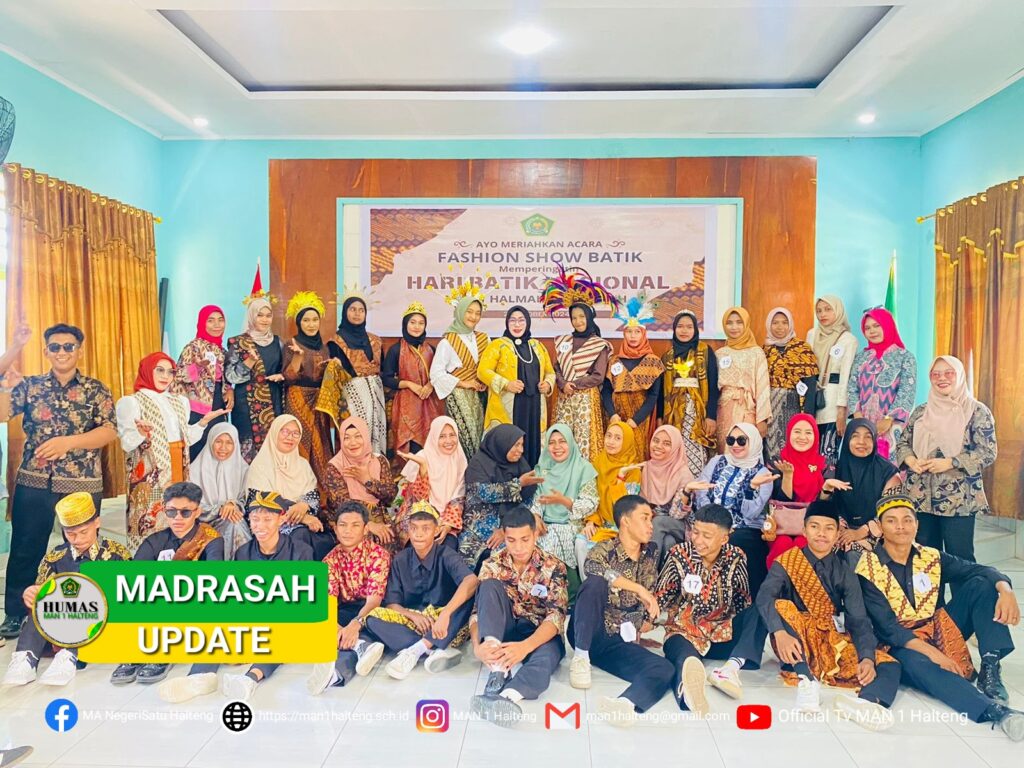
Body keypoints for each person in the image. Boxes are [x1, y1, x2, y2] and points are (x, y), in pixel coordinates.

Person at [856, 494, 1023, 739]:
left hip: (936, 628)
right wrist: (935, 655)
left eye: (907, 520)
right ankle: (997, 713)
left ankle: (990, 667)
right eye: (891, 521)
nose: (901, 526)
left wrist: (1005, 590)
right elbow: (888, 628)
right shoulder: (867, 567)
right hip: (900, 642)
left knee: (982, 584)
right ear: (880, 527)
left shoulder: (931, 556)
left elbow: (980, 570)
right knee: (921, 665)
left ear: (917, 525)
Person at [0, 323, 117, 639]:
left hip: (82, 481)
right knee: (25, 548)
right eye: (55, 347)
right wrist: (11, 364)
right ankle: (17, 614)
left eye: (68, 346)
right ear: (46, 351)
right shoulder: (31, 386)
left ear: (79, 351)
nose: (62, 352)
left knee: (83, 548)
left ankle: (89, 610)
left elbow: (109, 431)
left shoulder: (96, 389)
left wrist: (69, 442)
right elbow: (2, 414)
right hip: (34, 481)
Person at [156, 491, 315, 703]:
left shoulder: (301, 551)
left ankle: (250, 678)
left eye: (267, 519)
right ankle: (198, 678)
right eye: (255, 519)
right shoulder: (244, 552)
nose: (260, 526)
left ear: (281, 518)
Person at [756, 500, 900, 730]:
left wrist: (866, 657)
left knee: (888, 664)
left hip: (829, 639)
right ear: (804, 530)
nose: (821, 534)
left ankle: (866, 703)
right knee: (782, 606)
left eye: (829, 528)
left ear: (837, 534)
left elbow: (858, 619)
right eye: (815, 526)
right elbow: (764, 597)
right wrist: (779, 632)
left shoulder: (844, 571)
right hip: (794, 642)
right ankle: (807, 682)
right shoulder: (787, 561)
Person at [2, 493, 131, 687]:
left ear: (97, 523)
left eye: (83, 532)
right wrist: (32, 592)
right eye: (70, 534)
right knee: (42, 606)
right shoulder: (56, 557)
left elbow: (126, 596)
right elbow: (41, 592)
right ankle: (26, 658)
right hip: (60, 620)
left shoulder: (116, 554)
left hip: (101, 621)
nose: (77, 539)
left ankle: (69, 656)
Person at [567, 495, 673, 726]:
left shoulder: (650, 553)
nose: (651, 525)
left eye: (651, 519)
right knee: (594, 583)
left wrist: (641, 627)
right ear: (625, 521)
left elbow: (648, 595)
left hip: (616, 641)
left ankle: (625, 704)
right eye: (644, 518)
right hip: (590, 630)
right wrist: (638, 589)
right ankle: (581, 658)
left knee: (663, 667)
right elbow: (593, 568)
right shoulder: (604, 549)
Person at [656, 504, 768, 715]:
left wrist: (746, 634)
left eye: (706, 536)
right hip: (684, 632)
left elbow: (742, 599)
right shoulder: (679, 554)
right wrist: (644, 621)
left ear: (724, 538)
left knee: (761, 607)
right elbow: (662, 595)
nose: (698, 540)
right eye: (695, 532)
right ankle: (689, 692)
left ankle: (730, 669)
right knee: (685, 658)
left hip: (722, 634)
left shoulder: (736, 557)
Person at [112, 482, 225, 686]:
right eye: (171, 512)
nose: (177, 518)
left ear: (197, 511)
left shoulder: (211, 540)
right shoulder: (155, 541)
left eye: (185, 512)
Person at [469, 506, 569, 726]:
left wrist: (525, 647)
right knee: (488, 586)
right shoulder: (492, 564)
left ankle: (508, 697)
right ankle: (497, 672)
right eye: (511, 540)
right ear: (504, 537)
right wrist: (477, 646)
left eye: (525, 539)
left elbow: (556, 616)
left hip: (538, 632)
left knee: (546, 659)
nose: (519, 547)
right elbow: (478, 612)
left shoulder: (554, 566)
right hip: (502, 629)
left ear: (535, 534)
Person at [117, 352, 225, 551]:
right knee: (150, 519)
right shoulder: (131, 402)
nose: (165, 376)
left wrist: (203, 422)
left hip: (178, 466)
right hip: (150, 471)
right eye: (159, 370)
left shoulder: (179, 401)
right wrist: (141, 433)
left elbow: (185, 438)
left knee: (178, 516)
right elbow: (127, 443)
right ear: (147, 370)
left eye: (170, 372)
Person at [895, 355, 997, 563]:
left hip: (958, 500)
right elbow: (903, 443)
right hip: (920, 497)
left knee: (960, 558)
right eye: (936, 374)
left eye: (949, 373)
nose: (942, 378)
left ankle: (964, 588)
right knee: (925, 557)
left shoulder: (976, 411)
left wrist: (951, 462)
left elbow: (987, 452)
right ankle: (932, 588)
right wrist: (912, 460)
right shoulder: (921, 411)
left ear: (959, 376)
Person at [365, 501, 480, 680]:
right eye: (414, 528)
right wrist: (413, 616)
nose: (418, 534)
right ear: (408, 530)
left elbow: (471, 581)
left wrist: (445, 614)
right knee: (372, 618)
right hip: (414, 623)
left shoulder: (446, 554)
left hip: (445, 626)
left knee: (469, 596)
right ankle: (431, 649)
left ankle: (416, 650)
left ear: (436, 530)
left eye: (425, 528)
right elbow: (392, 603)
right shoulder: (401, 559)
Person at [307, 501, 389, 694]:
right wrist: (338, 629)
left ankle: (336, 674)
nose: (348, 531)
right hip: (344, 609)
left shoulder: (378, 555)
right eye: (343, 525)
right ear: (335, 529)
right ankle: (361, 647)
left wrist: (354, 625)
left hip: (372, 610)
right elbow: (328, 601)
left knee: (364, 629)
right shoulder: (330, 559)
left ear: (366, 529)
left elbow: (374, 601)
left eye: (355, 525)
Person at [542, 266, 618, 461]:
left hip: (586, 399)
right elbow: (557, 369)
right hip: (565, 398)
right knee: (563, 440)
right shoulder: (564, 341)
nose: (577, 321)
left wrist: (573, 385)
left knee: (584, 442)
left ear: (589, 317)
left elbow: (598, 376)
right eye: (574, 318)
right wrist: (562, 384)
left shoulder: (599, 344)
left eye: (581, 317)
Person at [693, 424, 778, 597]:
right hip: (712, 523)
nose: (735, 445)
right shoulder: (717, 461)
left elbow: (751, 514)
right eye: (731, 440)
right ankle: (703, 598)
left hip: (744, 528)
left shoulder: (763, 474)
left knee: (734, 541)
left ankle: (742, 601)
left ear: (753, 442)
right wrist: (714, 522)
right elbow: (702, 490)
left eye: (741, 440)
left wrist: (750, 488)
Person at [477, 305, 556, 466]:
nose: (517, 324)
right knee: (507, 444)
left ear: (527, 323)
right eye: (512, 320)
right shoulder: (497, 345)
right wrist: (506, 384)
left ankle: (531, 477)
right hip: (508, 406)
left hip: (534, 407)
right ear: (507, 323)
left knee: (533, 444)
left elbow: (550, 372)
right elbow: (482, 371)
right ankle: (507, 479)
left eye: (521, 320)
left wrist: (548, 384)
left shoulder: (538, 346)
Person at [459, 424, 541, 571]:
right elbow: (484, 492)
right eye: (516, 445)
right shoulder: (478, 465)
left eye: (522, 445)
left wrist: (506, 529)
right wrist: (518, 484)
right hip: (477, 529)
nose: (521, 450)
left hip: (509, 528)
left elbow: (528, 500)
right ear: (502, 443)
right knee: (467, 560)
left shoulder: (520, 465)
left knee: (510, 557)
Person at [765, 414, 841, 568]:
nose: (802, 437)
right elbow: (778, 502)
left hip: (812, 525)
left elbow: (821, 507)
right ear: (789, 434)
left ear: (816, 436)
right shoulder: (777, 461)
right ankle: (779, 583)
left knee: (804, 545)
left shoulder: (824, 464)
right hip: (782, 526)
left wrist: (826, 489)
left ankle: (802, 584)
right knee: (782, 544)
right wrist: (788, 476)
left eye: (808, 432)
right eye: (797, 431)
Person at [244, 414, 326, 554]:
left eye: (295, 433)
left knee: (321, 537)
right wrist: (301, 517)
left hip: (304, 520)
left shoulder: (303, 464)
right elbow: (261, 500)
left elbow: (312, 494)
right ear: (275, 432)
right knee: (300, 536)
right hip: (270, 522)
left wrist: (304, 505)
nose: (290, 437)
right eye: (285, 432)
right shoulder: (260, 465)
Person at [530, 424, 598, 590]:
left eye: (562, 441)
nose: (557, 447)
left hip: (572, 523)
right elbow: (536, 499)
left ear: (571, 442)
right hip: (545, 523)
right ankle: (538, 593)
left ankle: (569, 592)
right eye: (552, 442)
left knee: (554, 537)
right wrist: (536, 517)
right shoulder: (542, 468)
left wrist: (564, 501)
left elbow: (591, 504)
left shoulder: (584, 468)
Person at [847, 308, 917, 460]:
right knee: (862, 463)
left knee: (888, 466)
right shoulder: (861, 358)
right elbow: (852, 387)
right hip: (863, 423)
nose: (872, 331)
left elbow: (907, 391)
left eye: (877, 325)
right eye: (867, 328)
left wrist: (889, 419)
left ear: (888, 325)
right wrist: (857, 416)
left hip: (892, 425)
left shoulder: (905, 357)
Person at [322, 415, 398, 552]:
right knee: (365, 542)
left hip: (380, 517)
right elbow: (342, 505)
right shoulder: (334, 466)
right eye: (347, 438)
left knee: (390, 538)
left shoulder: (379, 461)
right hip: (348, 521)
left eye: (358, 436)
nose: (353, 442)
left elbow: (390, 497)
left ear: (366, 437)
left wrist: (367, 481)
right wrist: (368, 524)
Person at [429, 291, 489, 459]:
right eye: (469, 312)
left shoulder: (484, 339)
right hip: (459, 396)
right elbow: (436, 374)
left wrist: (485, 381)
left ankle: (478, 472)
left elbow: (489, 367)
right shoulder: (447, 341)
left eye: (477, 313)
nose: (473, 317)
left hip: (481, 395)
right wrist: (464, 383)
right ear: (460, 312)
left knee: (481, 437)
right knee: (465, 440)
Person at [282, 291, 334, 483]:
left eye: (314, 320)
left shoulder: (324, 347)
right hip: (298, 399)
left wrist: (333, 367)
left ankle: (320, 493)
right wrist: (298, 357)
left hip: (319, 401)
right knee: (299, 442)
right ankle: (297, 488)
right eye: (306, 320)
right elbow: (288, 377)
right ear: (299, 323)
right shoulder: (291, 344)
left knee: (320, 445)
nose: (311, 324)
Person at [603, 297, 665, 458]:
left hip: (639, 419)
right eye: (629, 332)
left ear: (643, 334)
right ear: (624, 334)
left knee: (637, 454)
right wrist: (612, 414)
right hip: (616, 418)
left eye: (637, 332)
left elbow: (653, 396)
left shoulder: (653, 362)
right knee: (615, 453)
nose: (633, 336)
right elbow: (606, 391)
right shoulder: (614, 361)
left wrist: (636, 420)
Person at [225, 296, 285, 462]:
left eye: (268, 315)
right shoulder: (238, 342)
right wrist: (248, 363)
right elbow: (230, 376)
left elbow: (285, 369)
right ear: (251, 316)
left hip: (273, 401)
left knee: (272, 449)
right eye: (260, 315)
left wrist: (282, 375)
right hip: (246, 403)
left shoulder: (278, 342)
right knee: (247, 451)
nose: (265, 320)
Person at [325, 295, 387, 454]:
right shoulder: (336, 341)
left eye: (361, 310)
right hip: (351, 397)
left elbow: (383, 369)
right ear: (345, 312)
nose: (357, 314)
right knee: (355, 436)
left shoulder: (376, 340)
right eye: (353, 309)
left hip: (376, 396)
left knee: (375, 438)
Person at [660, 310, 718, 477]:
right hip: (674, 414)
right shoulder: (667, 356)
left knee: (696, 450)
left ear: (695, 330)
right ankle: (678, 488)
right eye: (680, 326)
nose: (684, 330)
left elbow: (713, 385)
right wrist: (660, 418)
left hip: (698, 412)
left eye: (689, 327)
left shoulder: (705, 351)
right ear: (674, 329)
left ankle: (697, 487)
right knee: (674, 451)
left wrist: (711, 416)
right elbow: (662, 392)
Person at [832, 418, 901, 555]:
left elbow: (891, 512)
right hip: (842, 530)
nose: (861, 442)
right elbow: (829, 504)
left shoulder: (889, 473)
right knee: (829, 546)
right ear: (847, 439)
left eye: (868, 437)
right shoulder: (835, 468)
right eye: (855, 436)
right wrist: (840, 527)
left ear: (874, 440)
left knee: (853, 552)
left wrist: (861, 532)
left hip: (878, 533)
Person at [172, 305, 233, 461]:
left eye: (220, 320)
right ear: (202, 323)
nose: (216, 325)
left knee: (215, 448)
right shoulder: (193, 347)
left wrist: (229, 389)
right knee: (197, 449)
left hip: (218, 404)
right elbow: (178, 375)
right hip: (196, 408)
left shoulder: (222, 350)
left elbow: (224, 377)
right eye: (210, 320)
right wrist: (198, 367)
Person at [395, 416, 466, 549]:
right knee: (418, 548)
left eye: (452, 435)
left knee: (447, 549)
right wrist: (423, 467)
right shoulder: (422, 457)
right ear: (434, 437)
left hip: (446, 520)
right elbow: (418, 500)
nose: (448, 441)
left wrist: (447, 525)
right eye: (442, 436)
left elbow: (458, 498)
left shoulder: (460, 460)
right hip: (417, 518)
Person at [382, 301, 443, 456]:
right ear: (405, 324)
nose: (417, 327)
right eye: (413, 322)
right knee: (410, 447)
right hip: (406, 406)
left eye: (421, 323)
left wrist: (430, 385)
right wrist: (409, 384)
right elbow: (386, 379)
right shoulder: (396, 350)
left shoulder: (431, 349)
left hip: (429, 403)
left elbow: (440, 374)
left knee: (430, 445)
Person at [579, 422, 643, 564]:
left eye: (617, 438)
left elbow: (624, 508)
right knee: (580, 542)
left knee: (603, 550)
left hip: (621, 527)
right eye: (608, 436)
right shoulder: (598, 463)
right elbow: (591, 495)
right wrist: (591, 521)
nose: (611, 441)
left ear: (627, 442)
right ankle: (587, 579)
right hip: (601, 523)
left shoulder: (633, 471)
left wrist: (620, 477)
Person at [806, 295, 857, 465]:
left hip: (833, 404)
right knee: (809, 451)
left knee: (828, 453)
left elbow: (846, 377)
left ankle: (827, 483)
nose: (822, 314)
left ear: (838, 311)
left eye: (828, 309)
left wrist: (841, 412)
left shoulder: (848, 340)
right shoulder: (812, 335)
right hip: (812, 400)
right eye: (819, 310)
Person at [762, 307, 819, 458]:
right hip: (771, 408)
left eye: (784, 322)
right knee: (772, 449)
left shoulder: (803, 349)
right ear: (769, 325)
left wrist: (808, 416)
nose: (780, 327)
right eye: (775, 323)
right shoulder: (764, 350)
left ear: (790, 324)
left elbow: (810, 384)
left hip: (796, 405)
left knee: (795, 445)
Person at [191, 422, 252, 559]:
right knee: (234, 524)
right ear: (211, 441)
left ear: (235, 444)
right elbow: (192, 506)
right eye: (218, 441)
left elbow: (246, 499)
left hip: (235, 520)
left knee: (235, 524)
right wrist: (221, 509)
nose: (223, 447)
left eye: (229, 443)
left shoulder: (243, 470)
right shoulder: (194, 470)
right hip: (204, 526)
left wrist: (234, 505)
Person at [715, 307, 770, 450]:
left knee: (745, 448)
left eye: (739, 322)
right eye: (729, 323)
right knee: (725, 449)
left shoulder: (756, 353)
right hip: (723, 412)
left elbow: (763, 387)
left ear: (746, 324)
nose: (734, 327)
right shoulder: (719, 354)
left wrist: (762, 419)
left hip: (747, 410)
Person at [641, 425, 696, 565]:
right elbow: (641, 502)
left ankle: (646, 571)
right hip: (655, 525)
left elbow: (676, 514)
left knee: (659, 522)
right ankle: (662, 577)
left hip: (680, 524)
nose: (658, 446)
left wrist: (686, 492)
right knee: (668, 542)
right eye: (656, 441)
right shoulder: (647, 467)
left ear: (675, 448)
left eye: (666, 443)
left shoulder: (682, 473)